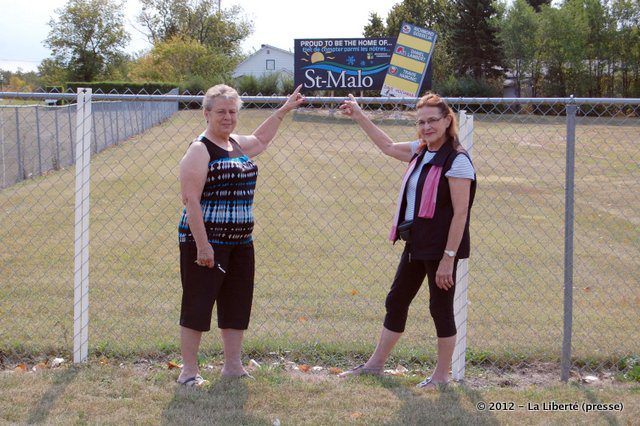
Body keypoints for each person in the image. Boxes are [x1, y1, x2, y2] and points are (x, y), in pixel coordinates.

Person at [338, 92, 476, 389]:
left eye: (432, 121)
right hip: (416, 243)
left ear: (448, 120)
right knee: (397, 299)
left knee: (440, 309)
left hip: (441, 249)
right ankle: (374, 366)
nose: (426, 127)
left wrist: (448, 259)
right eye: (421, 122)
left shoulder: (457, 159)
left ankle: (441, 376)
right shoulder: (422, 150)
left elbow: (461, 213)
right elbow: (387, 146)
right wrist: (361, 115)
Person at [177, 84, 305, 386]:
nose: (227, 117)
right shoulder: (200, 149)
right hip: (206, 242)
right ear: (206, 114)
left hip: (240, 243)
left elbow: (261, 138)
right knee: (198, 303)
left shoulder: (235, 143)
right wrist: (203, 246)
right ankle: (189, 372)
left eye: (232, 112)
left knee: (236, 303)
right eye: (221, 111)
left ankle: (233, 366)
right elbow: (190, 199)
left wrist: (284, 109)